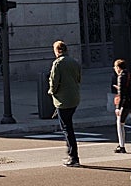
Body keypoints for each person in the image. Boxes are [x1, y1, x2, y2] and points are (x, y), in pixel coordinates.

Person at [48, 39, 82, 167]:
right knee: (68, 126)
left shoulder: (58, 63)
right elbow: (79, 78)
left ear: (57, 51)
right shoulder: (74, 62)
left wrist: (52, 92)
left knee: (67, 128)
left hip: (63, 100)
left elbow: (54, 81)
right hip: (74, 98)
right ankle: (71, 154)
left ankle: (73, 157)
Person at [112, 58, 131, 153]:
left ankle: (121, 145)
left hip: (126, 103)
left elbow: (122, 93)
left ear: (118, 67)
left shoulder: (121, 76)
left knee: (120, 122)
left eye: (115, 67)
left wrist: (118, 107)